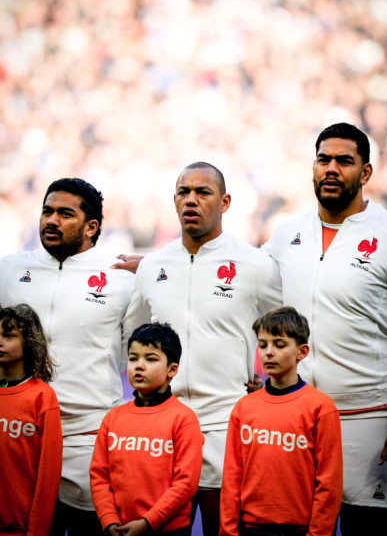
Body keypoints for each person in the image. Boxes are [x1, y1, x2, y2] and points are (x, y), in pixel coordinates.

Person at [262, 123, 387, 535]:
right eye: (323, 159)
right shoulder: (288, 235)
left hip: (370, 418)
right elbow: (240, 285)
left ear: (365, 173)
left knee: (365, 528)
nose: (331, 168)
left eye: (344, 161)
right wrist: (155, 268)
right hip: (299, 415)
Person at [124, 162, 281, 535]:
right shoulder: (153, 267)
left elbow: (291, 330)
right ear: (174, 201)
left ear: (225, 202)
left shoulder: (255, 265)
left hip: (226, 427)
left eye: (203, 192)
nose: (191, 199)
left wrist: (274, 385)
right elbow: (129, 338)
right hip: (162, 429)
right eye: (183, 192)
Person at [0, 178, 136, 536]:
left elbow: (136, 351)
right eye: (47, 211)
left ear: (91, 226)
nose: (51, 220)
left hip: (87, 436)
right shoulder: (11, 269)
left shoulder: (122, 277)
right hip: (19, 434)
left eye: (64, 213)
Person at [220, 306, 342, 536]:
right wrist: (228, 531)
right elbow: (231, 478)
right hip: (251, 529)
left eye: (279, 344)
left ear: (302, 351)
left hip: (301, 529)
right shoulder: (244, 407)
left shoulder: (321, 408)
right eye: (263, 344)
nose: (268, 352)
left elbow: (329, 484)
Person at [90, 322, 203, 535]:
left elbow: (185, 484)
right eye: (133, 358)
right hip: (118, 528)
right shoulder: (113, 418)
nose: (139, 365)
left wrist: (148, 522)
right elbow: (99, 475)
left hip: (167, 529)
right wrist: (108, 520)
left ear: (172, 370)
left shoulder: (184, 419)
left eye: (150, 359)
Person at [0, 303, 63, 536]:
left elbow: (48, 477)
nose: (0, 342)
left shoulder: (42, 397)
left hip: (21, 527)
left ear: (28, 341)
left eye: (8, 336)